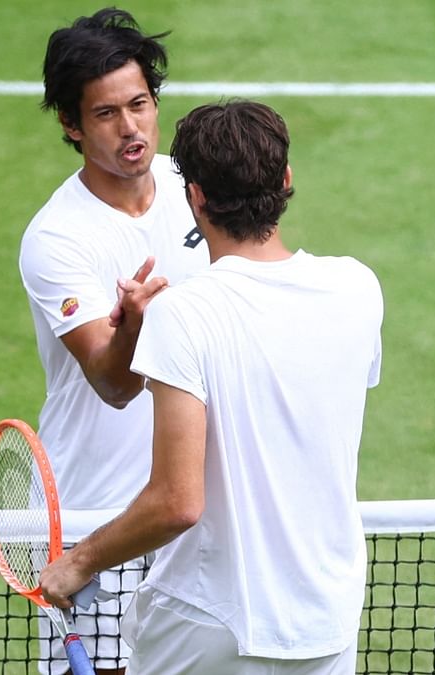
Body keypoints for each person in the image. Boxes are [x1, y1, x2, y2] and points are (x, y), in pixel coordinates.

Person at [39, 99, 384, 674]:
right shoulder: (357, 288)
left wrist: (80, 562)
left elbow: (177, 502)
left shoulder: (184, 314)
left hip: (211, 623)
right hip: (326, 619)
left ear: (194, 197)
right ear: (287, 179)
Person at [17, 7, 208, 675]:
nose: (131, 128)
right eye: (105, 114)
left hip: (196, 509)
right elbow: (113, 381)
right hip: (100, 516)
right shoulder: (58, 238)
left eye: (140, 104)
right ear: (71, 125)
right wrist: (132, 322)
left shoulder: (197, 189)